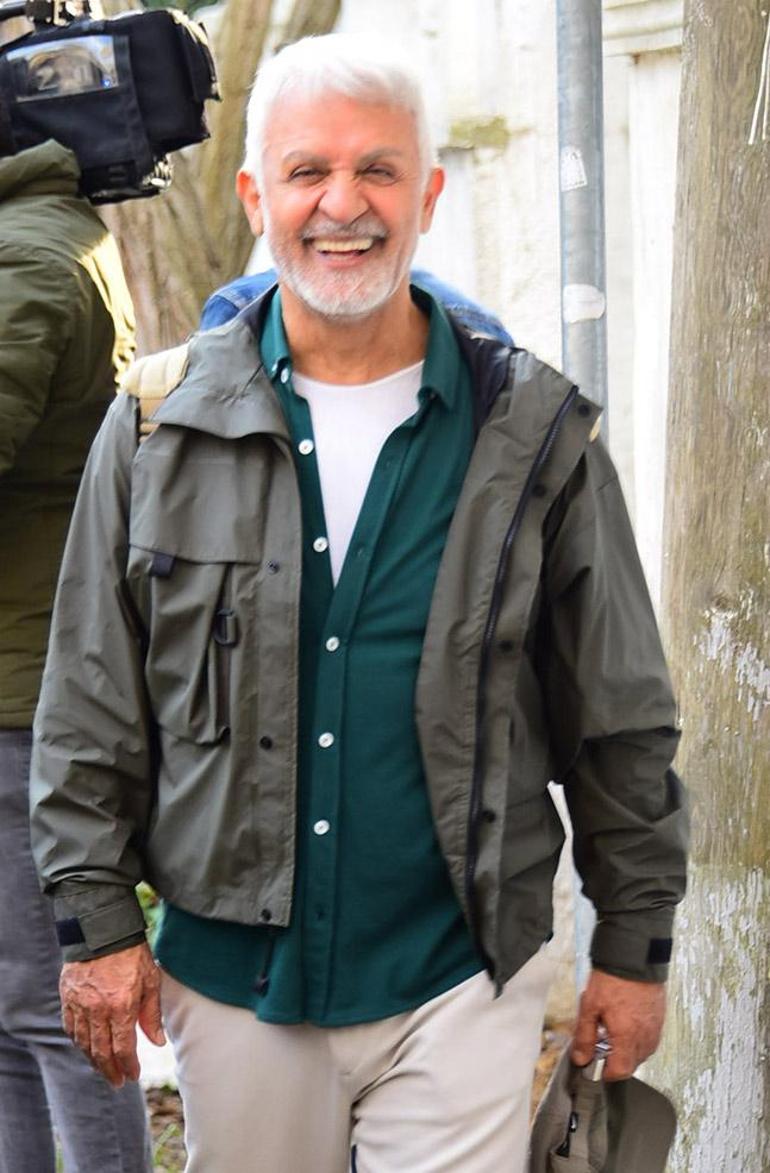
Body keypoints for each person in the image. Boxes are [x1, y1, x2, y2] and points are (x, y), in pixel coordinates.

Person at [30, 35, 688, 1173]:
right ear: (257, 198)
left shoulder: (534, 434)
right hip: (233, 982)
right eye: (308, 172)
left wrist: (633, 947)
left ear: (426, 194)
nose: (343, 204)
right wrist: (97, 926)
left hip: (457, 974)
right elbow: (89, 699)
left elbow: (619, 715)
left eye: (378, 170)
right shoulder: (154, 426)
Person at [0, 138, 152, 1172]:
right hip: (24, 671)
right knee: (13, 1012)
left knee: (53, 1011)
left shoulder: (27, 254)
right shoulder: (46, 234)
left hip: (26, 692)